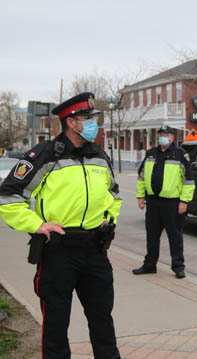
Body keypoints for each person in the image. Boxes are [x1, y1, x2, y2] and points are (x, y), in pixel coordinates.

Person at [0, 92, 122, 358]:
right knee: (56, 328)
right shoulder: (43, 155)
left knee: (103, 323)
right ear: (71, 121)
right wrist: (37, 225)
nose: (94, 124)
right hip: (59, 252)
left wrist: (109, 219)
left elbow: (113, 194)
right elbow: (7, 196)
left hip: (95, 250)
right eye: (87, 118)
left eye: (94, 118)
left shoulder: (99, 155)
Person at [133, 125, 195, 279]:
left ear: (172, 137)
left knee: (175, 237)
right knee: (152, 236)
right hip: (153, 203)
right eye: (161, 134)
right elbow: (141, 177)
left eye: (166, 134)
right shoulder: (150, 154)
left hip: (172, 204)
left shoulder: (180, 154)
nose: (163, 137)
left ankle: (178, 267)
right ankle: (150, 265)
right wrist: (140, 197)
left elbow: (189, 180)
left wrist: (184, 201)